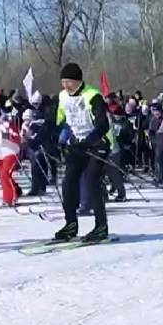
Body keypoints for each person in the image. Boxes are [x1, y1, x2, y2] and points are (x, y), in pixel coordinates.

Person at [54, 62, 111, 243]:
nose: (66, 85)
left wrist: (89, 141)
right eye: (63, 82)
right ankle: (71, 224)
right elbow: (56, 120)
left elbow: (103, 124)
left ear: (78, 81)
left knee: (91, 182)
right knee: (68, 183)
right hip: (76, 145)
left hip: (97, 144)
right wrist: (40, 138)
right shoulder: (63, 97)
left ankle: (101, 226)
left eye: (69, 81)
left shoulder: (93, 95)